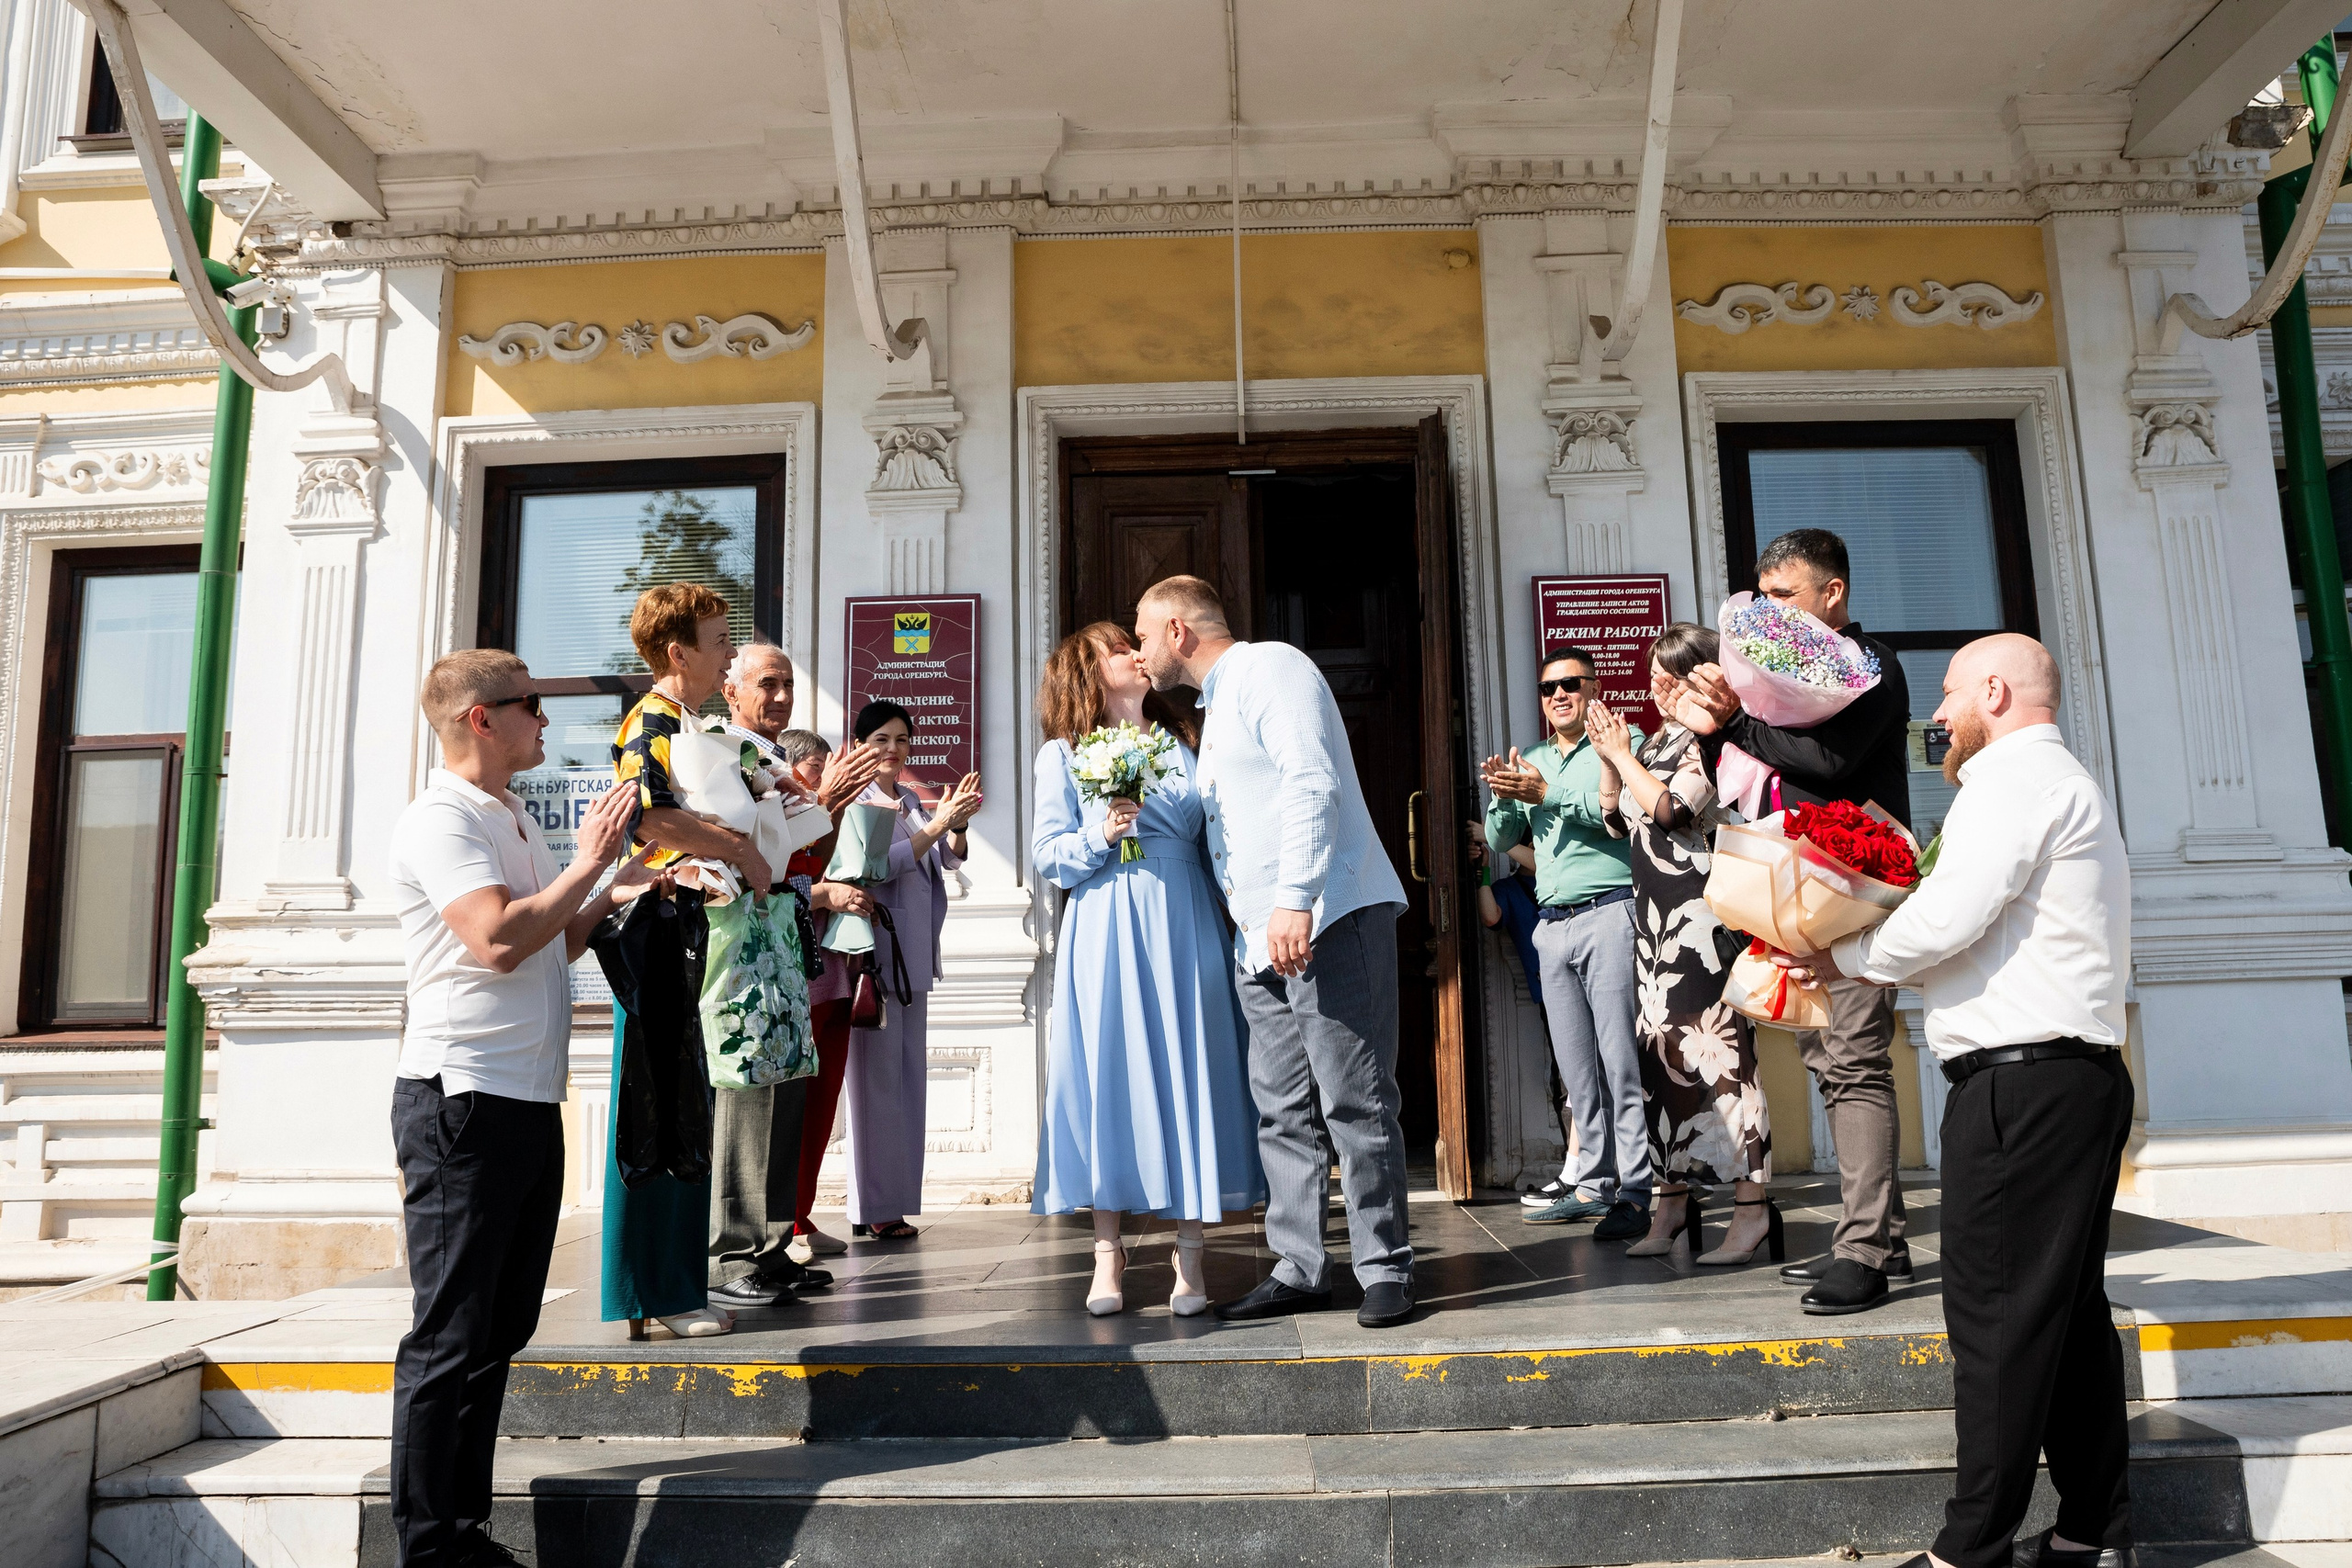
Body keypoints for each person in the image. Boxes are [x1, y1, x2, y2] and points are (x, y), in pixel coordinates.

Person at [1770, 634, 2131, 1568]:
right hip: (2064, 1080)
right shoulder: (2052, 783)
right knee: (2064, 1311)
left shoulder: (2012, 782)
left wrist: (1840, 957)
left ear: (1996, 692)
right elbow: (1969, 922)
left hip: (2022, 1089)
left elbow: (1949, 913)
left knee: (1994, 1318)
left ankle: (1969, 1550)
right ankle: (2092, 1523)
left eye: (1947, 692)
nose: (1935, 714)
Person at [387, 649, 654, 1568]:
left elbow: (553, 936)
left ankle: (463, 1530)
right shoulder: (440, 820)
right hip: (461, 1099)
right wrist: (583, 862)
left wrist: (617, 880)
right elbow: (497, 940)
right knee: (452, 1330)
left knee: (501, 1326)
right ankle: (431, 1545)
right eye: (532, 705)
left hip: (527, 1098)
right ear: (480, 719)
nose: (547, 719)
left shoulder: (510, 815)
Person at [1134, 575, 1417, 1330]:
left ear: (1177, 630)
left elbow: (1311, 780)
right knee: (1281, 1111)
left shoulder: (1271, 667)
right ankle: (1301, 1265)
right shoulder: (1215, 705)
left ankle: (1383, 1265)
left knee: (1356, 1099)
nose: (1137, 649)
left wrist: (1296, 896)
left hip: (1326, 917)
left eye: (1141, 632)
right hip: (1260, 939)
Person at [1680, 527, 1913, 1314]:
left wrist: (1737, 726)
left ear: (1831, 595)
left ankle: (1865, 1251)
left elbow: (1827, 764)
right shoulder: (1770, 680)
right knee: (1827, 1058)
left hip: (1851, 885)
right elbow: (1743, 773)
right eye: (1760, 595)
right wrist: (1722, 719)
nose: (1765, 611)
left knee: (1853, 1061)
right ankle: (1886, 1236)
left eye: (1782, 596)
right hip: (1789, 888)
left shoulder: (1871, 664)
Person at [1030, 622, 1266, 1316]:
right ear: (1088, 671)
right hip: (1104, 918)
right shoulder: (1062, 754)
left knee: (1187, 1068)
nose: (1135, 651)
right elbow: (1048, 853)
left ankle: (1189, 1257)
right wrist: (1100, 833)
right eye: (1115, 646)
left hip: (1183, 914)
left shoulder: (1186, 741)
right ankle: (1107, 1254)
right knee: (1109, 1075)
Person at [604, 583, 770, 1339]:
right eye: (717, 641)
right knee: (654, 1105)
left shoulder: (690, 721)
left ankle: (672, 1286)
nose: (728, 654)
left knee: (681, 1104)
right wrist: (737, 846)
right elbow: (646, 813)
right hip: (655, 928)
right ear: (678, 653)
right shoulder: (654, 717)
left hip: (688, 927)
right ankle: (648, 1291)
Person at [1585, 625, 1778, 1266]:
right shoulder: (1661, 738)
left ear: (1701, 676)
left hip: (1700, 924)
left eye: (1670, 675)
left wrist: (1627, 758)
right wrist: (1611, 761)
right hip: (1654, 924)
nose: (1657, 687)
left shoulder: (1709, 741)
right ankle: (1672, 1203)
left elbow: (1672, 811)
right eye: (1653, 675)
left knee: (1721, 1057)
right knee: (1662, 1059)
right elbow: (1621, 819)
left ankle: (1752, 1209)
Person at [703, 641, 879, 1313]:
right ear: (733, 691)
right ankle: (731, 1254)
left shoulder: (776, 760)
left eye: (788, 685)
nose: (780, 697)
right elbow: (753, 856)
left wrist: (830, 806)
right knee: (748, 1101)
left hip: (787, 947)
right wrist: (821, 798)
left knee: (786, 1100)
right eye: (767, 684)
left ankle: (774, 1247)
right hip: (742, 951)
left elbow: (808, 857)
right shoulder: (720, 752)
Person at [1483, 647, 1651, 1242]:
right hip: (1551, 925)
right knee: (1579, 1072)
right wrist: (1507, 795)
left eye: (1570, 683)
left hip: (1608, 912)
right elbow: (1505, 835)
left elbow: (1614, 815)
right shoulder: (1528, 758)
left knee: (1619, 1061)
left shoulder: (1611, 746)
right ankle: (1597, 1184)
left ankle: (1636, 1188)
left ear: (1592, 686)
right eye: (1548, 686)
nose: (1558, 694)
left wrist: (1543, 791)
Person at [839, 699, 983, 1241]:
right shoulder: (858, 800)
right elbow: (876, 868)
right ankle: (873, 1207)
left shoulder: (907, 799)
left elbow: (945, 858)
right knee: (875, 1088)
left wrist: (958, 827)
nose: (893, 750)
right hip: (876, 959)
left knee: (905, 1086)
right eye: (881, 740)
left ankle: (893, 1203)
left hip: (915, 958)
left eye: (901, 739)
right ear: (859, 745)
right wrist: (938, 823)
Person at [772, 728, 878, 1266]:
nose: (826, 778)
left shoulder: (824, 818)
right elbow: (769, 885)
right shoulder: (774, 811)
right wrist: (827, 894)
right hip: (790, 981)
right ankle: (783, 1222)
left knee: (820, 1107)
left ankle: (801, 1214)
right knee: (789, 1109)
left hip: (831, 975)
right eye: (816, 769)